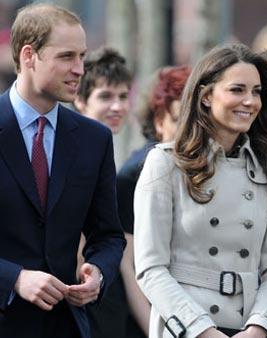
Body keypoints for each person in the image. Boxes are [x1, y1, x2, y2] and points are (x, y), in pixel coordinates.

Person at [134, 44, 267, 337]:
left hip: (247, 326)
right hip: (186, 328)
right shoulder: (164, 163)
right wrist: (202, 331)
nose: (250, 101)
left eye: (257, 91)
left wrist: (260, 327)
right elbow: (150, 269)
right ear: (206, 96)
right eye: (237, 90)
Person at [0, 4, 125, 338]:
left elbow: (108, 235)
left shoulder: (94, 139)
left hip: (66, 326)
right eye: (67, 56)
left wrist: (98, 272)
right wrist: (14, 278)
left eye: (83, 56)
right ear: (29, 56)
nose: (80, 69)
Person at [73, 47, 147, 338]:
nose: (117, 106)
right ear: (79, 99)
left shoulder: (103, 152)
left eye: (122, 96)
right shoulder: (77, 155)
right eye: (105, 96)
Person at [113, 65, 191, 337]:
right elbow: (130, 266)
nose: (188, 131)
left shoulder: (191, 166)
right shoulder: (136, 174)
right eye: (178, 120)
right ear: (159, 120)